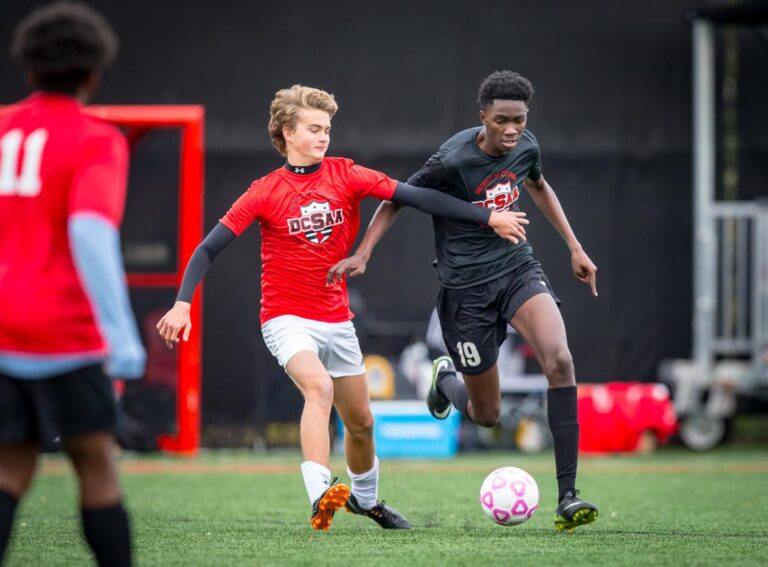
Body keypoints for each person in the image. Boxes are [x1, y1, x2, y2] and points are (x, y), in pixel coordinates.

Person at [156, 84, 529, 531]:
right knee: (319, 388)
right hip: (285, 317)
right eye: (314, 129)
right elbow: (206, 250)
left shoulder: (346, 174)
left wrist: (487, 215)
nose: (323, 136)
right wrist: (182, 305)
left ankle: (366, 502)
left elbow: (414, 197)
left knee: (362, 423)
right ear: (288, 132)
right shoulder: (263, 191)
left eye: (327, 129)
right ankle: (320, 494)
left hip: (336, 318)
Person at [328, 70, 599, 532]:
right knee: (487, 415)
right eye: (502, 121)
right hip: (465, 294)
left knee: (560, 360)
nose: (512, 130)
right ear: (483, 118)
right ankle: (445, 379)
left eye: (519, 119)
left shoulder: (527, 145)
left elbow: (537, 183)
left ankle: (568, 497)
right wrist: (364, 251)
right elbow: (398, 197)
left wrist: (574, 246)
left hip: (517, 271)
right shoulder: (452, 159)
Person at [0, 2, 146, 566]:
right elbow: (89, 234)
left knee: (10, 468)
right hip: (68, 335)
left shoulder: (5, 130)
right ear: (93, 72)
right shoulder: (96, 138)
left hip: (6, 333)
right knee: (96, 463)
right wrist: (121, 337)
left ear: (29, 68)